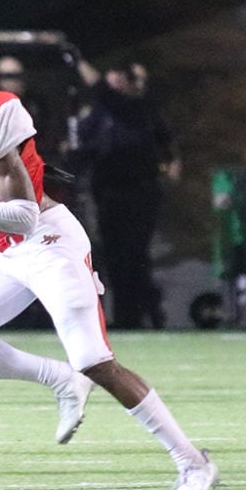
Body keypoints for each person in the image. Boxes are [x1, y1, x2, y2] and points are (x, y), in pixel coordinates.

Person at [0, 23, 217, 490]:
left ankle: (193, 462)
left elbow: (20, 215)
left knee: (95, 359)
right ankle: (59, 380)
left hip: (45, 239)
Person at [70, 57, 179, 329]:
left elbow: (166, 142)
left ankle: (142, 314)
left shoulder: (139, 108)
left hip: (140, 193)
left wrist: (76, 58)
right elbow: (86, 147)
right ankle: (127, 315)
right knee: (117, 257)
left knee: (136, 255)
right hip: (109, 193)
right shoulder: (104, 112)